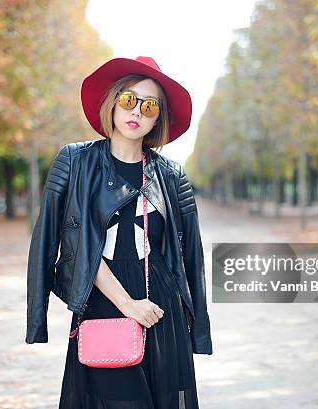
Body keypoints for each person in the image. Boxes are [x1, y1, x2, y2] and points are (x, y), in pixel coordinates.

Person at [25, 56, 212, 409]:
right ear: (112, 102)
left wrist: (197, 330)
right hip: (101, 302)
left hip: (160, 309)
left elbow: (192, 258)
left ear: (159, 118)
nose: (137, 112)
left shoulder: (172, 176)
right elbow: (62, 239)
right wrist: (125, 304)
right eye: (129, 99)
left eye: (150, 106)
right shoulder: (75, 161)